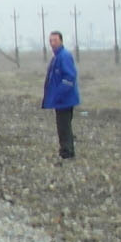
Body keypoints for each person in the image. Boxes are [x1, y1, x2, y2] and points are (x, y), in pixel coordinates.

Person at [43, 30, 80, 159]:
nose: (53, 43)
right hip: (60, 100)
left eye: (55, 40)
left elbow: (70, 77)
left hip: (65, 100)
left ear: (61, 41)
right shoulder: (56, 57)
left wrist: (59, 95)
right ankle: (67, 151)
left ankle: (67, 153)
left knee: (64, 127)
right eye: (51, 41)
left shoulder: (64, 56)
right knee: (63, 126)